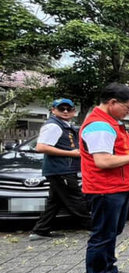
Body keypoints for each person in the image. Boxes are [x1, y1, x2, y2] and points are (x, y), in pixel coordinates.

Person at [79, 83, 129, 273]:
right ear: (112, 103)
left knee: (112, 232)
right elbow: (103, 161)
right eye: (127, 107)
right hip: (105, 189)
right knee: (102, 235)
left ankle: (109, 270)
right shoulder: (99, 125)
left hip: (119, 187)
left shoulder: (113, 124)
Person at [30, 98, 90, 240]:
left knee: (55, 201)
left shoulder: (64, 125)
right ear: (53, 110)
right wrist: (71, 153)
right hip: (62, 170)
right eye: (61, 108)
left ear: (73, 111)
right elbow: (41, 147)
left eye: (68, 109)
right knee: (75, 198)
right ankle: (94, 227)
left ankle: (40, 231)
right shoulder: (53, 126)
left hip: (61, 169)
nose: (65, 111)